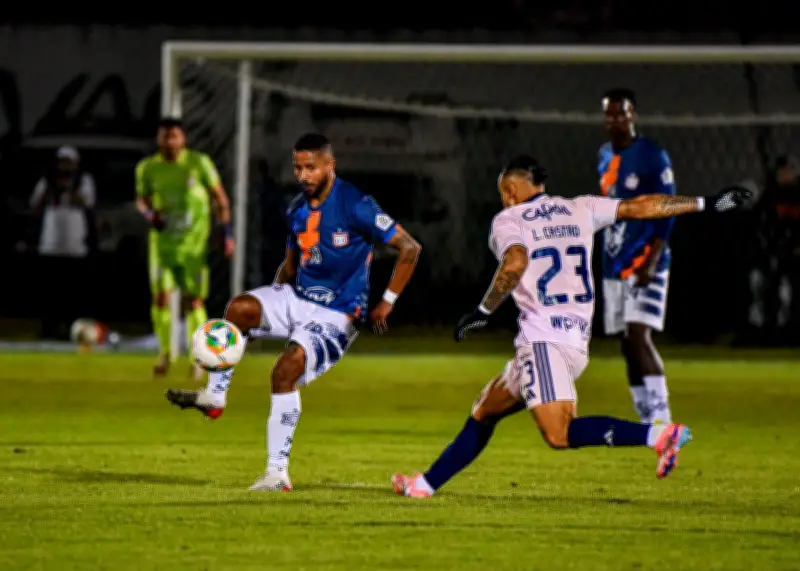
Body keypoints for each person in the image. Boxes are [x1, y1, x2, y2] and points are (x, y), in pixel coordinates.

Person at [392, 155, 751, 498]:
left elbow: (515, 263)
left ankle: (658, 436)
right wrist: (708, 202)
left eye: (503, 193)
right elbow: (641, 206)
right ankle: (424, 485)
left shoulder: (509, 220)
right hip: (572, 339)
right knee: (486, 409)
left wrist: (483, 311)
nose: (503, 200)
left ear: (511, 190)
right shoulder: (581, 207)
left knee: (559, 433)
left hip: (544, 343)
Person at [166, 133, 422, 491]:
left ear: (330, 166)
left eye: (311, 168)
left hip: (338, 313)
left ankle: (276, 473)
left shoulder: (356, 204)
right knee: (239, 309)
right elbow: (290, 266)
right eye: (297, 167)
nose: (302, 175)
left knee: (284, 371)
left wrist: (387, 302)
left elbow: (410, 248)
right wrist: (269, 303)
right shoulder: (296, 209)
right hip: (297, 297)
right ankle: (215, 394)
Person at [598, 88, 677, 424]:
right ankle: (648, 421)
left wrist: (654, 258)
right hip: (614, 262)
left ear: (633, 115)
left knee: (638, 334)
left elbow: (667, 208)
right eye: (610, 114)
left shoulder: (652, 155)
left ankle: (663, 418)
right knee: (626, 344)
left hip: (645, 259)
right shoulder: (604, 156)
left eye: (622, 113)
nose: (616, 119)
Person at [135, 118, 235, 379]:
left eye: (174, 137)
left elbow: (220, 199)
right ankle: (165, 353)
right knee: (161, 298)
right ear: (158, 140)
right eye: (164, 137)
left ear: (183, 139)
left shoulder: (198, 164)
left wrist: (226, 233)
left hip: (193, 247)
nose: (169, 142)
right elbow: (142, 201)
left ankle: (198, 359)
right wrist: (149, 215)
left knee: (194, 300)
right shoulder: (148, 168)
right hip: (163, 246)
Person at [30, 146, 96, 339]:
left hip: (75, 246)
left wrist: (69, 188)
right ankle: (48, 329)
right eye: (62, 161)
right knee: (49, 293)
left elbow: (87, 203)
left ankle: (72, 329)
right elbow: (36, 204)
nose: (65, 166)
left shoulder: (83, 181)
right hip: (50, 244)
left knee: (73, 293)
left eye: (69, 162)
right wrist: (53, 187)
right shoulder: (47, 181)